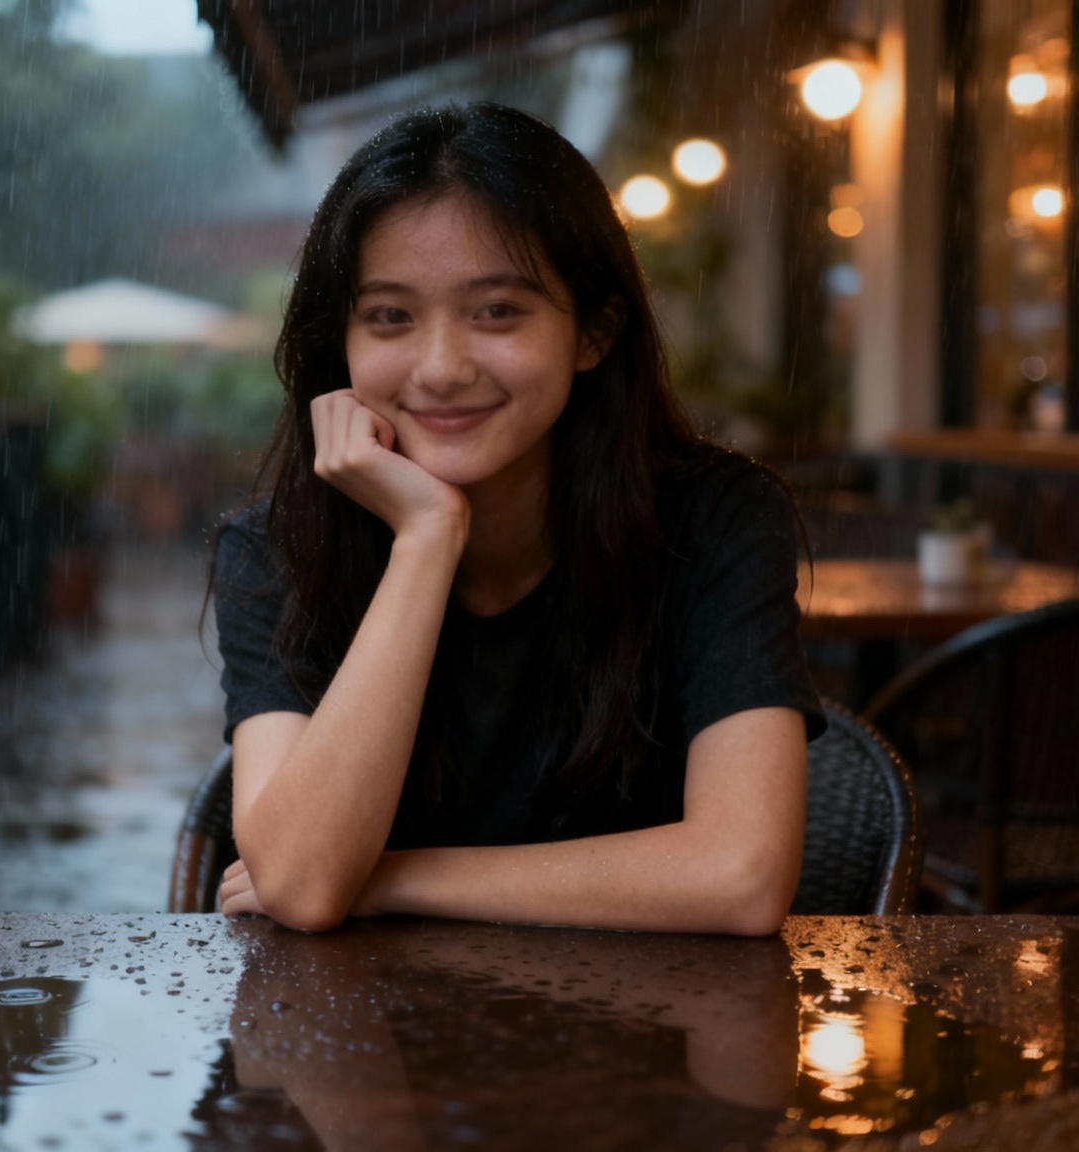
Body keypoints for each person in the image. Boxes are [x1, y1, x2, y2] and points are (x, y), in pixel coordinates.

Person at [210, 102, 821, 936]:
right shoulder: (279, 549)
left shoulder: (714, 520)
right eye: (389, 315)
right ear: (340, 342)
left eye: (497, 311)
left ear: (594, 333)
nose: (440, 368)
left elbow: (741, 878)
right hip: (359, 1044)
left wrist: (395, 878)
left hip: (649, 1040)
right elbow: (307, 885)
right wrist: (426, 540)